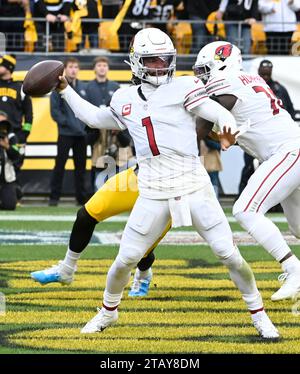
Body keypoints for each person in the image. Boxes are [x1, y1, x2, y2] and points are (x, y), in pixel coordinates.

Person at [48, 28, 278, 338]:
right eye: (152, 60)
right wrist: (64, 88)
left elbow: (213, 110)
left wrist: (226, 123)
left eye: (164, 60)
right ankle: (107, 312)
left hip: (193, 184)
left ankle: (259, 314)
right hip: (153, 189)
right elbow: (93, 118)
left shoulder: (184, 86)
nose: (159, 66)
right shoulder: (124, 96)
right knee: (124, 260)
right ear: (136, 62)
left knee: (229, 255)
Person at [194, 40, 300, 302]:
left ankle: (293, 269)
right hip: (289, 151)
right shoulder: (250, 79)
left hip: (286, 153)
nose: (204, 76)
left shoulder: (228, 82)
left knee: (245, 210)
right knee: (298, 229)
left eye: (206, 69)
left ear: (222, 64)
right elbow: (217, 128)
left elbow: (199, 126)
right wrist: (220, 137)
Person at [49, 57, 88, 206]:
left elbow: (87, 109)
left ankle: (81, 199)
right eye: (71, 66)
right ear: (65, 69)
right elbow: (55, 112)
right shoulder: (57, 87)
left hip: (81, 136)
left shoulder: (84, 87)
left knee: (81, 168)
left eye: (76, 67)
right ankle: (54, 198)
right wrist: (70, 124)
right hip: (65, 134)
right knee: (59, 166)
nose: (73, 69)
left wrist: (82, 127)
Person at [0, 54, 33, 201]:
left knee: (16, 164)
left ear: (9, 68)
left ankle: (13, 195)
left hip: (16, 133)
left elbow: (29, 113)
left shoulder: (21, 88)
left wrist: (25, 133)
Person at [85, 57, 120, 192]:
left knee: (116, 161)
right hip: (95, 132)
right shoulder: (88, 87)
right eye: (99, 65)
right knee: (97, 161)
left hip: (113, 131)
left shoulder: (115, 86)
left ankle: (115, 194)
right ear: (94, 68)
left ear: (108, 68)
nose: (102, 68)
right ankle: (95, 193)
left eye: (104, 65)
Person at [0, 111, 22, 210]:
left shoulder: (11, 137)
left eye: (3, 122)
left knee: (9, 206)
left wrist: (7, 147)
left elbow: (17, 156)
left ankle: (15, 191)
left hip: (6, 179)